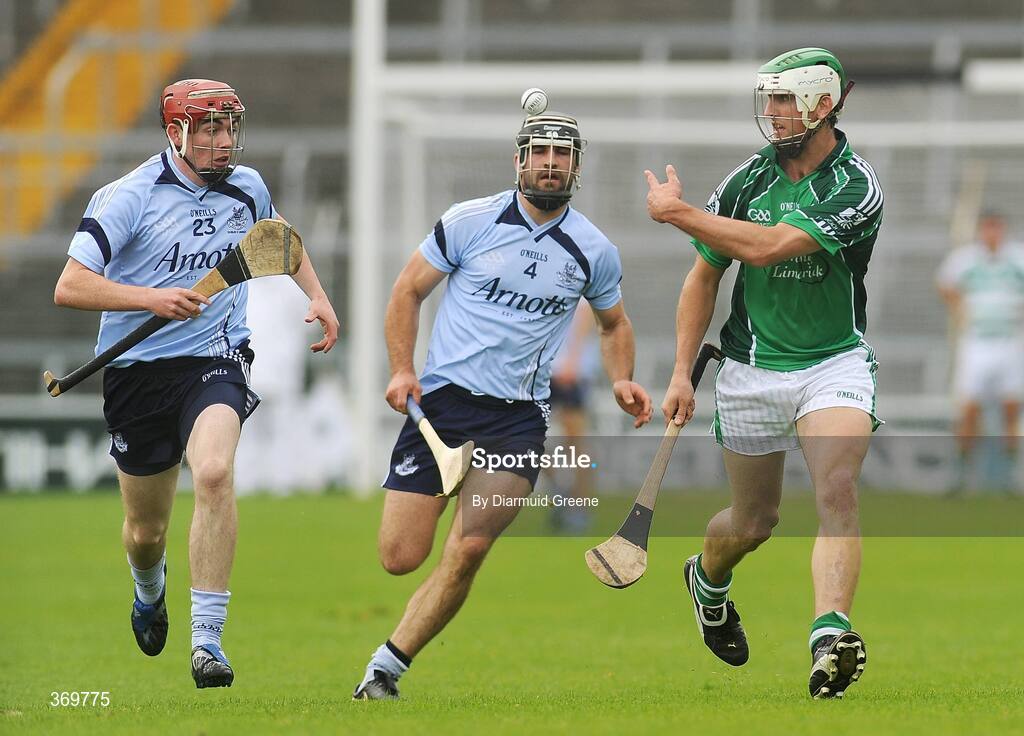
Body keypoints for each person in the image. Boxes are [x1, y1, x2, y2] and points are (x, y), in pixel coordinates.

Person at [353, 109, 652, 700]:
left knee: (468, 549)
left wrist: (621, 380)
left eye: (561, 155)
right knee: (400, 556)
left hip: (516, 422)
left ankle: (386, 669)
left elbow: (615, 324)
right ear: (519, 161)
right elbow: (407, 291)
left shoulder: (592, 249)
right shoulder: (470, 222)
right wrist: (402, 368)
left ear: (576, 166)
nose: (549, 163)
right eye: (539, 152)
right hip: (440, 408)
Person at [53, 79, 340, 688]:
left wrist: (317, 296)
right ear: (174, 132)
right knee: (145, 531)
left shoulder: (248, 186)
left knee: (212, 471)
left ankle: (207, 642)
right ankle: (148, 590)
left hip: (216, 356)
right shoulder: (126, 197)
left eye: (228, 127)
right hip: (136, 374)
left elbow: (277, 241)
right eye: (207, 128)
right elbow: (70, 285)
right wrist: (150, 299)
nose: (221, 141)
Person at [646, 48, 882, 699]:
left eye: (784, 100)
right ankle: (707, 581)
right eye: (768, 100)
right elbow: (705, 275)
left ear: (822, 104)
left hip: (832, 364)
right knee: (752, 523)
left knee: (836, 486)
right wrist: (677, 375)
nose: (771, 113)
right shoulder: (747, 182)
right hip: (750, 368)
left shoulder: (854, 184)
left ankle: (830, 633)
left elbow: (770, 245)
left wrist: (679, 212)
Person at [937, 211, 1024, 492]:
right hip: (976, 342)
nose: (992, 235)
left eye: (996, 229)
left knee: (1011, 408)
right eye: (987, 229)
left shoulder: (1017, 259)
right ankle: (962, 474)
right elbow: (945, 284)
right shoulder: (966, 259)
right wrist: (959, 308)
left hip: (1010, 341)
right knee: (969, 408)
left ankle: (1011, 476)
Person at [546, 301, 599, 533]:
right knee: (529, 439)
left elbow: (584, 321)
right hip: (543, 370)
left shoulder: (580, 279)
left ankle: (579, 508)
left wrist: (572, 361)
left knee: (576, 442)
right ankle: (560, 491)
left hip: (572, 373)